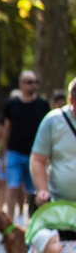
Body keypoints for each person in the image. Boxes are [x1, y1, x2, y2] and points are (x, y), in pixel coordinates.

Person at [0, 70, 50, 219]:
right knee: (12, 188)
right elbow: (6, 130)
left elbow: (48, 133)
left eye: (35, 82)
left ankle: (31, 227)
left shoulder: (43, 105)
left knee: (33, 193)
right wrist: (3, 154)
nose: (33, 85)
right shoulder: (12, 104)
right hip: (14, 153)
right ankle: (9, 228)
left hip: (35, 156)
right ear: (21, 84)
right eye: (29, 82)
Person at [31, 77, 76, 205]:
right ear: (71, 100)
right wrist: (42, 190)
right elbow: (38, 159)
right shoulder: (52, 121)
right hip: (58, 204)